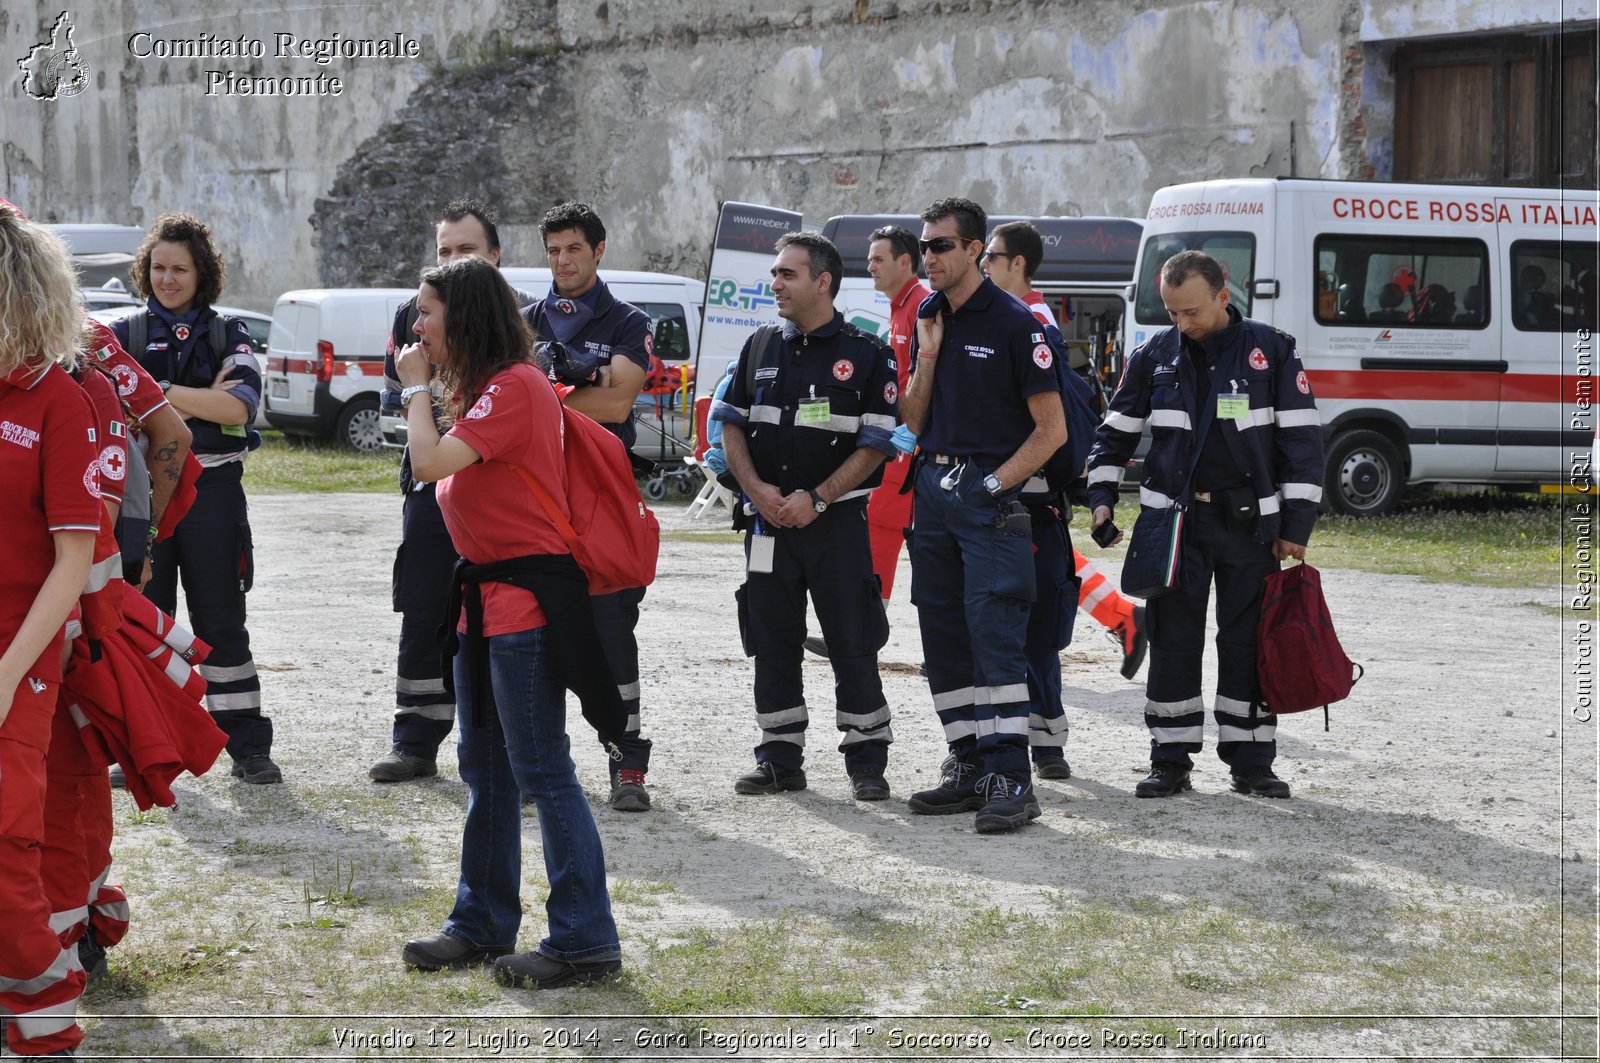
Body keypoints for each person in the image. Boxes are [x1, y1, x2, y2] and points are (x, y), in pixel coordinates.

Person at [396, 256, 621, 989]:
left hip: (524, 606)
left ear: (462, 316)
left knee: (542, 770)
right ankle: (482, 921)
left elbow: (427, 465)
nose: (417, 325)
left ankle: (584, 938)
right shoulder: (486, 389)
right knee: (485, 769)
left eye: (427, 312)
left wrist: (414, 391)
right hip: (486, 604)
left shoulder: (515, 388)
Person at [1086, 250, 1324, 799]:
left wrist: (1297, 525)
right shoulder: (1154, 355)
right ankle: (1170, 758)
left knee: (1246, 641)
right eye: (1172, 313)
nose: (1182, 324)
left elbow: (1304, 445)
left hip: (1250, 528)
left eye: (1191, 311)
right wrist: (1100, 496)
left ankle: (1251, 760)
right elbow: (1114, 433)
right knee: (1173, 640)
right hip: (1174, 526)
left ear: (1223, 296)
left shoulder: (1273, 351)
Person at [712, 231, 899, 800]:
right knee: (771, 639)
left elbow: (877, 444)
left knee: (852, 638)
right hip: (768, 522)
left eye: (787, 274)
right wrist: (758, 491)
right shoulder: (759, 345)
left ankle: (866, 761)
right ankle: (779, 757)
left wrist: (816, 498)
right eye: (774, 274)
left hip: (836, 525)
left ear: (823, 282)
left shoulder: (868, 354)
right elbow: (731, 425)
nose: (775, 285)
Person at [899, 197, 1066, 834]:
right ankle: (968, 766)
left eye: (941, 246)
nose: (929, 258)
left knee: (995, 638)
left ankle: (1011, 779)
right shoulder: (929, 316)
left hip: (988, 496)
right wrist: (930, 354)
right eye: (924, 247)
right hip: (933, 490)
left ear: (975, 250)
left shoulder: (1018, 324)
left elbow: (1049, 431)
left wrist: (992, 485)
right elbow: (912, 423)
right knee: (943, 637)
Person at [111, 213, 278, 784]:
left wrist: (154, 394)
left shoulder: (228, 332)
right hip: (145, 495)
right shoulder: (122, 335)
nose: (168, 279)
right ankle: (145, 746)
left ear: (201, 273)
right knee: (145, 623)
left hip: (213, 492)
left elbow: (239, 409)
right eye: (158, 267)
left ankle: (248, 748)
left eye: (180, 268)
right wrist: (198, 397)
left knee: (222, 621)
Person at [981, 220, 1150, 778]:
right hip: (1031, 502)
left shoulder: (1028, 324)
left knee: (1027, 631)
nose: (983, 264)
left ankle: (1041, 746)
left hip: (1022, 499)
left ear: (1018, 264)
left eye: (992, 256)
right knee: (1035, 622)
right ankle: (1046, 742)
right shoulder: (1020, 318)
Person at [369, 199, 530, 784]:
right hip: (429, 488)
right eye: (445, 251)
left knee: (501, 616)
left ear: (494, 256)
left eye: (466, 250)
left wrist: (432, 402)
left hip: (491, 491)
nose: (455, 260)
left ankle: (505, 750)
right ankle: (415, 737)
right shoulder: (413, 314)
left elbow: (438, 404)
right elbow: (405, 399)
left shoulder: (515, 317)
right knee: (424, 604)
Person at [0, 201, 99, 1057]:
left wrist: (6, 674)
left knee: (4, 843)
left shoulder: (55, 399)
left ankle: (44, 1017)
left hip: (18, 653)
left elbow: (73, 562)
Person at [521, 201, 657, 812]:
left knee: (609, 632)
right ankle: (536, 765)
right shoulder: (520, 321)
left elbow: (617, 406)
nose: (562, 260)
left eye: (573, 248)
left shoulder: (629, 320)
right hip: (534, 498)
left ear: (598, 251)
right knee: (528, 630)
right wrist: (584, 383)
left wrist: (549, 390)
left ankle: (627, 761)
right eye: (553, 249)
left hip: (602, 493)